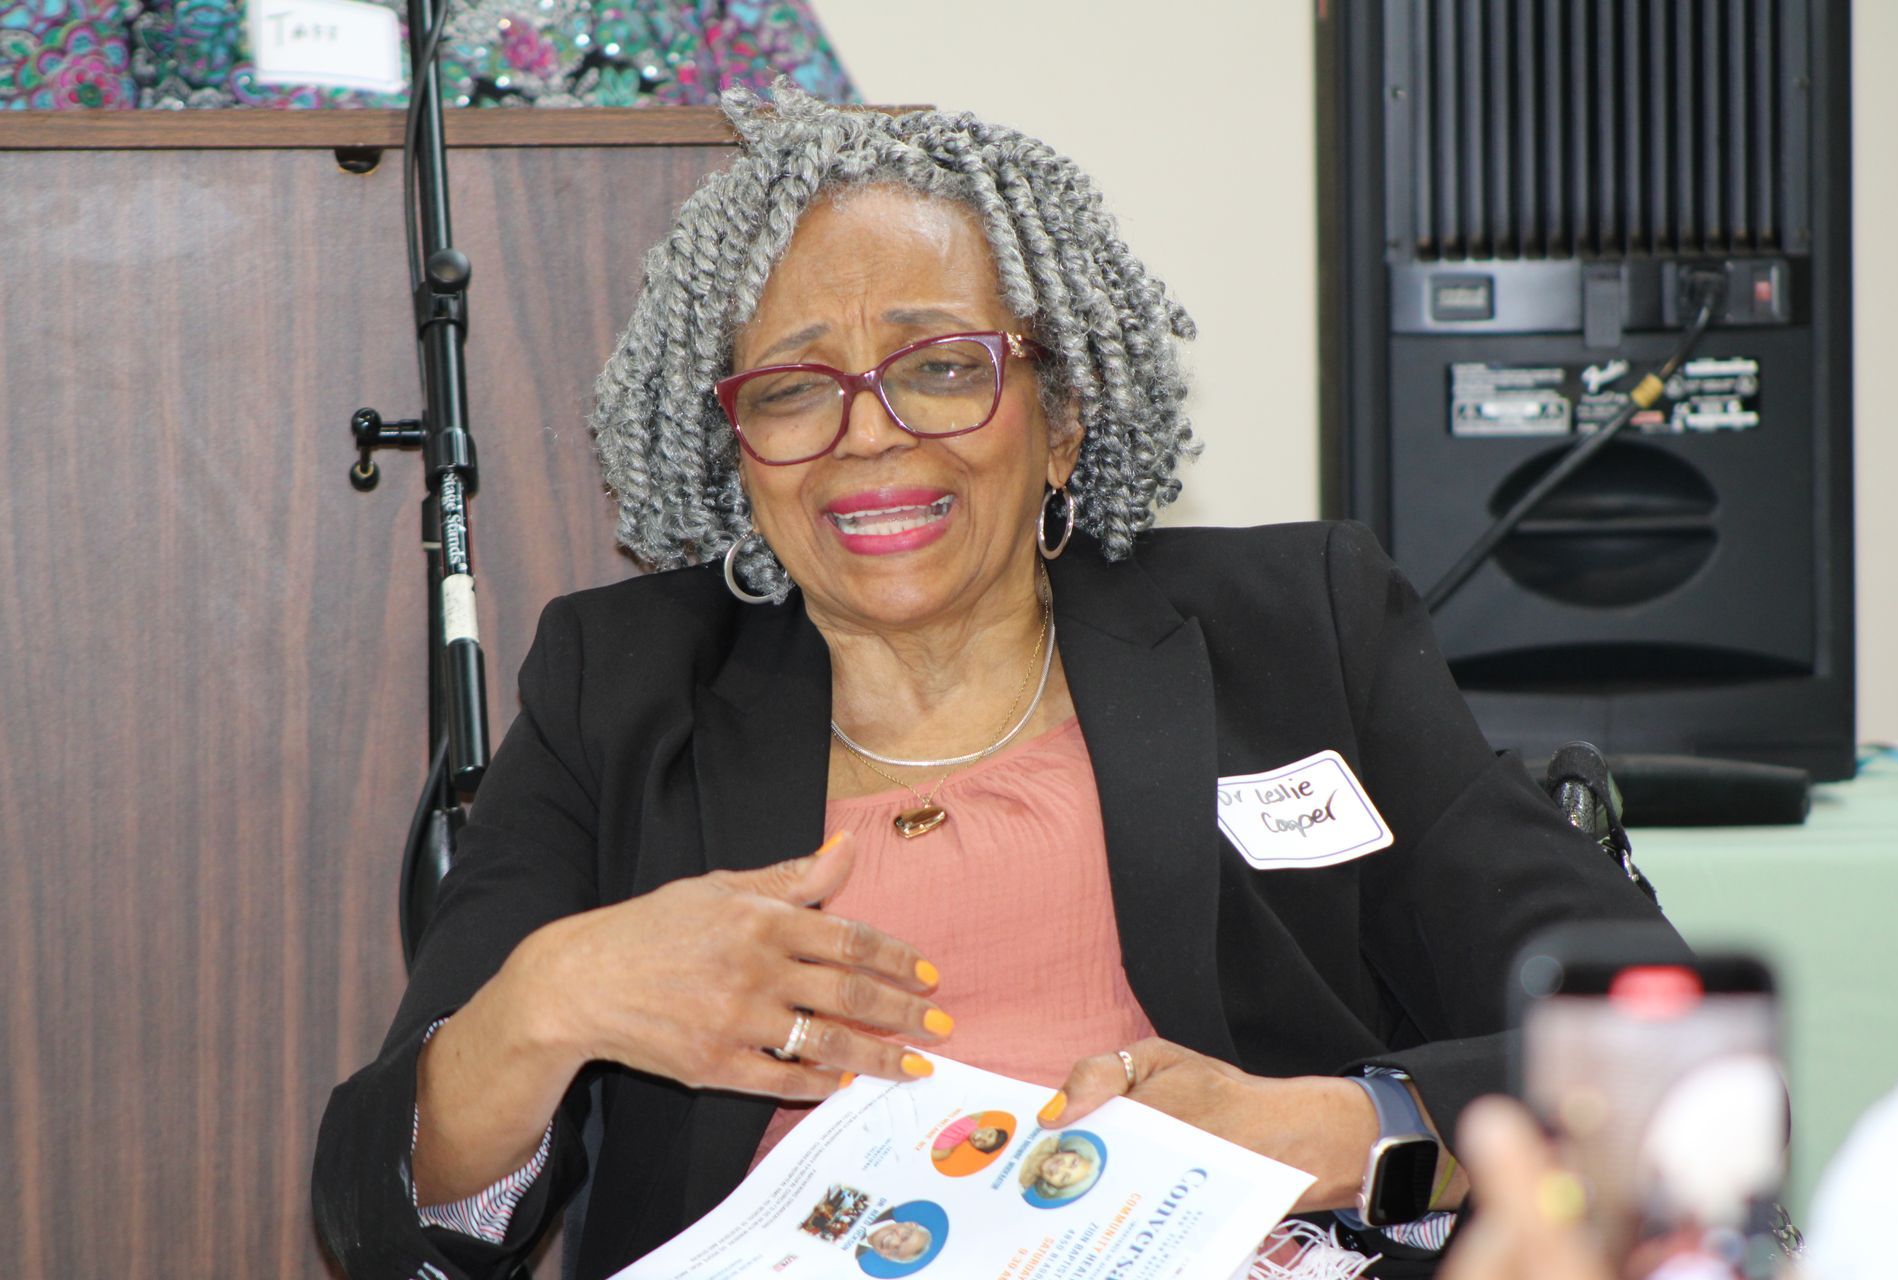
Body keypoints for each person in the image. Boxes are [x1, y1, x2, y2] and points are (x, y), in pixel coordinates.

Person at [312, 84, 1677, 1280]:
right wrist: (557, 997)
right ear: (735, 449)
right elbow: (384, 1214)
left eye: (943, 367)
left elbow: (1664, 1049)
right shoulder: (626, 683)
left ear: (1065, 419)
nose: (867, 438)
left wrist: (1334, 1134)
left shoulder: (1297, 632)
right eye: (793, 389)